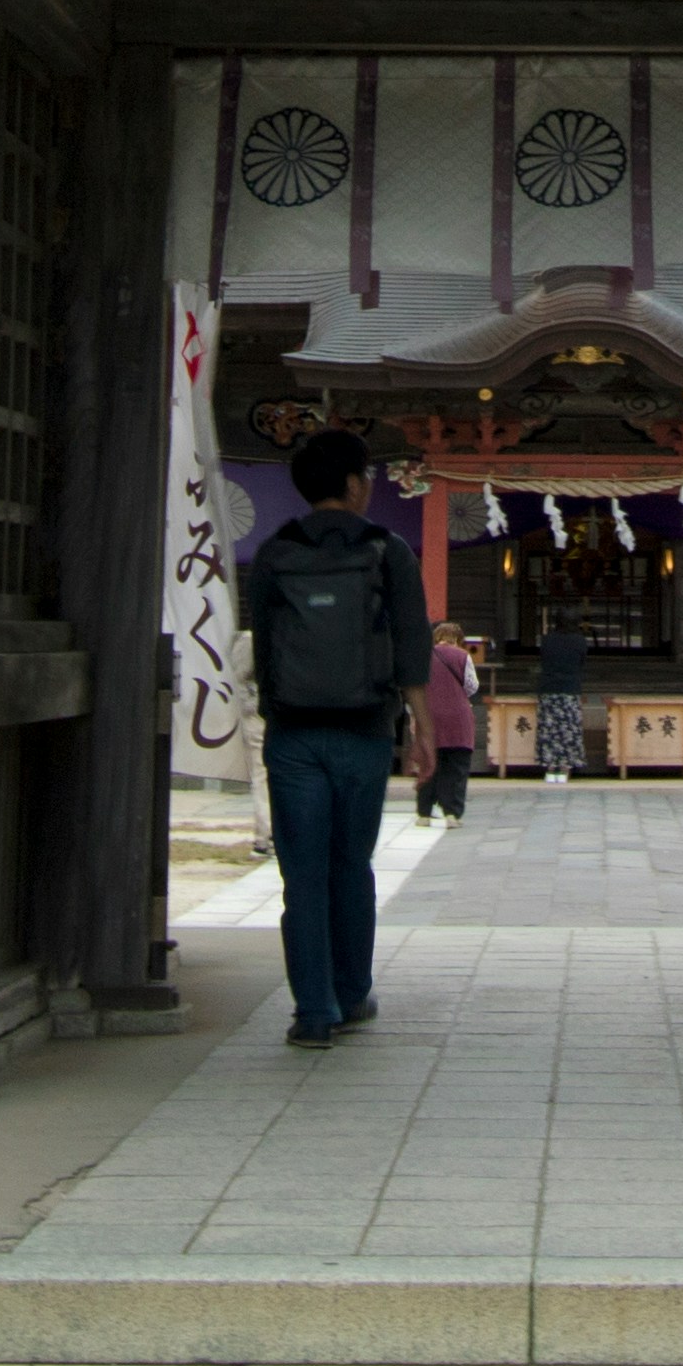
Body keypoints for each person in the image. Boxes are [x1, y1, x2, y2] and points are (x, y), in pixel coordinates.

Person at [243, 427, 429, 1047]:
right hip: (364, 729)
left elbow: (264, 650)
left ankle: (312, 1012)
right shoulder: (388, 549)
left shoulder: (273, 552)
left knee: (302, 875)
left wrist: (275, 712)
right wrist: (422, 731)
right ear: (352, 485)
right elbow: (411, 645)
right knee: (352, 866)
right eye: (368, 477)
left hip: (292, 733)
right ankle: (352, 993)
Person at [415, 624, 481, 826]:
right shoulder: (462, 656)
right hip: (457, 719)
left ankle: (424, 813)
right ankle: (451, 814)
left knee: (428, 765)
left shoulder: (422, 656)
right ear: (458, 639)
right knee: (456, 767)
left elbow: (415, 686)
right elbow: (472, 685)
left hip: (428, 717)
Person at [534, 612, 591, 783]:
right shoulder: (579, 641)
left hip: (549, 687)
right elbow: (582, 662)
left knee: (549, 728)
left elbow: (543, 659)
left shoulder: (547, 640)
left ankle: (550, 767)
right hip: (570, 688)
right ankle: (566, 767)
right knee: (569, 727)